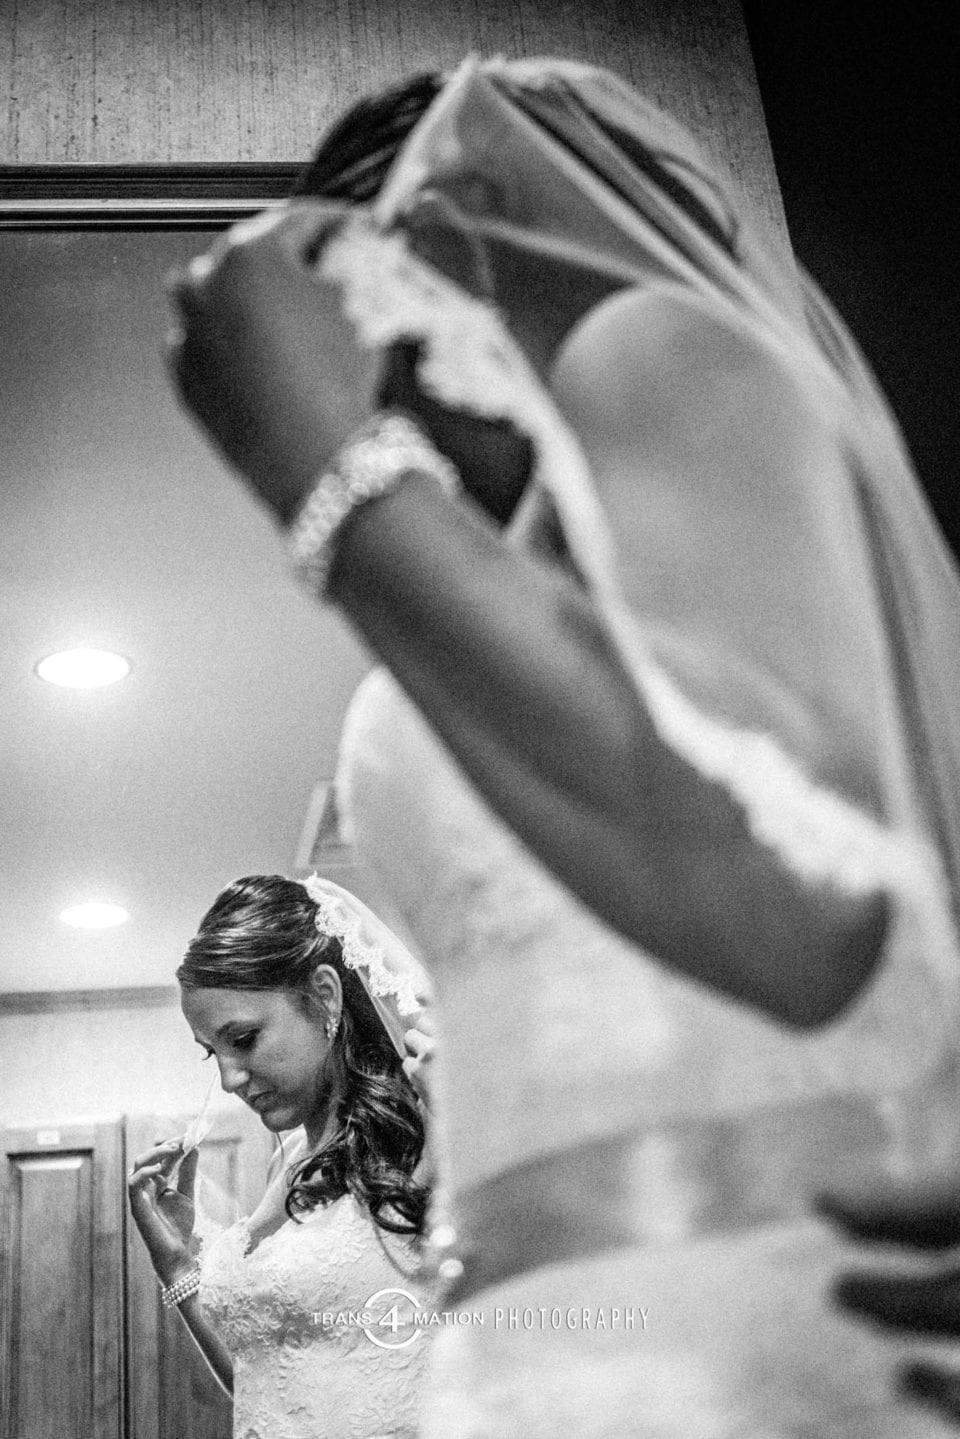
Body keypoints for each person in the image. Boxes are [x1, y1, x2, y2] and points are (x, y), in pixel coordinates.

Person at [167, 56, 960, 1437]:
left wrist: (329, 481)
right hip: (530, 1345)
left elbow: (802, 904)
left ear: (438, 247)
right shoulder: (525, 575)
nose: (371, 370)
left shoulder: (654, 348)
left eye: (357, 307)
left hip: (739, 1327)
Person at [128, 873, 438, 1439]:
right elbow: (268, 1385)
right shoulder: (290, 1163)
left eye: (243, 1039)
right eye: (212, 1053)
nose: (229, 1079)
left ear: (325, 995)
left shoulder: (425, 1134)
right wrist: (177, 1265)